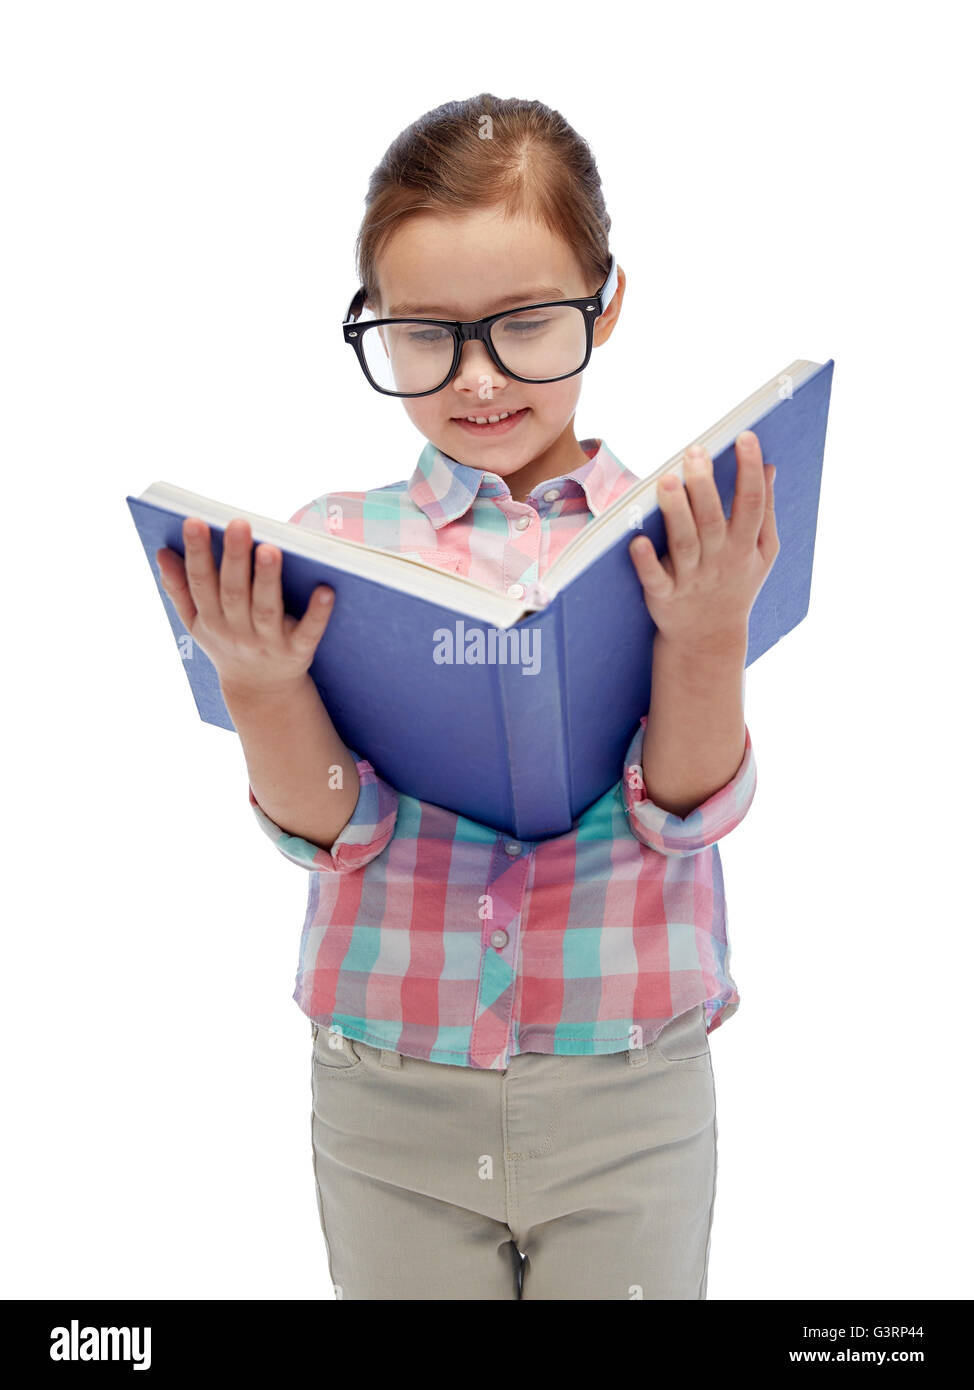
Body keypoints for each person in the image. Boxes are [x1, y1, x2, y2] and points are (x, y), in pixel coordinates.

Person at [156, 93, 778, 1300]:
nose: (476, 377)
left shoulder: (674, 534)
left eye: (524, 325)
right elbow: (332, 829)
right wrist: (261, 686)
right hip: (389, 1097)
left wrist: (704, 634)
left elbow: (686, 805)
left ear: (604, 305)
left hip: (629, 1088)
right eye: (424, 334)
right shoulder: (337, 548)